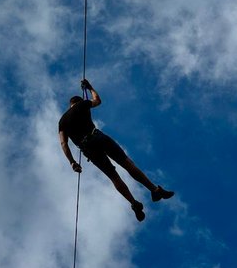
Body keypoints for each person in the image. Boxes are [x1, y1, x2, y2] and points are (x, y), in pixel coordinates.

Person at [58, 78, 174, 222]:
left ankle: (133, 203)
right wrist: (90, 87)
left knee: (114, 177)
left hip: (87, 149)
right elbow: (97, 100)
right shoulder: (82, 104)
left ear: (70, 105)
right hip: (97, 137)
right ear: (78, 101)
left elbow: (63, 143)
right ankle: (155, 190)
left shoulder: (62, 121)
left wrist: (72, 162)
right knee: (127, 164)